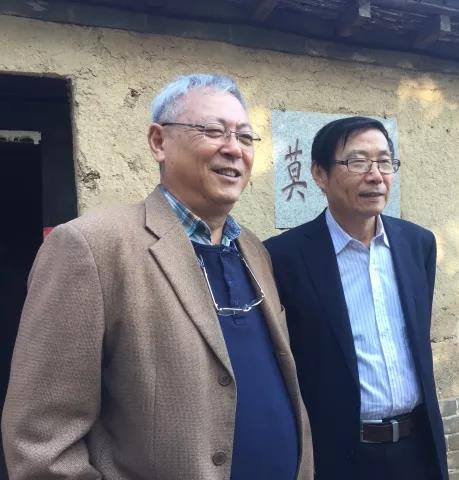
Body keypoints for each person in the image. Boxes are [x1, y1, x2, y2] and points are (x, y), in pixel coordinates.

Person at [2, 73, 313, 480]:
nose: (234, 149)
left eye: (244, 137)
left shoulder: (254, 250)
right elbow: (41, 443)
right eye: (213, 131)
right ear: (158, 141)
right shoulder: (91, 247)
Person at [265, 116, 448, 479]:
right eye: (358, 162)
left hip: (417, 449)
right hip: (338, 455)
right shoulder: (283, 257)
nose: (375, 175)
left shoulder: (418, 244)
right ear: (320, 174)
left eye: (384, 162)